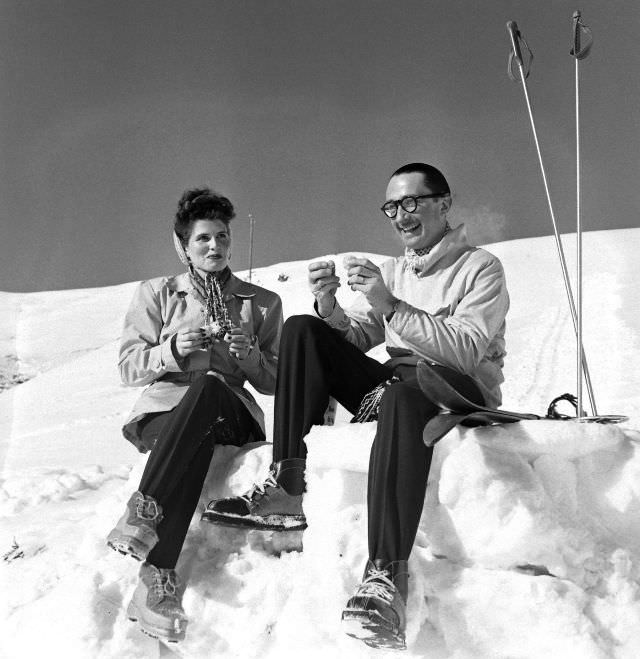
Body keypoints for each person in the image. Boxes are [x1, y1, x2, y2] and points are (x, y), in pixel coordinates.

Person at [202, 163, 509, 649]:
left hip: (457, 388)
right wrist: (329, 307)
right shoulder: (394, 270)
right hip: (398, 384)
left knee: (406, 392)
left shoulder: (480, 268)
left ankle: (386, 577)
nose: (401, 216)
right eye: (392, 207)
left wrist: (392, 306)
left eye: (411, 202)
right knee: (304, 329)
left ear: (443, 204)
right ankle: (287, 481)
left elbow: (467, 348)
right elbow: (360, 337)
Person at [106, 187, 283, 643]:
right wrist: (171, 350)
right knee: (191, 441)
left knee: (208, 386)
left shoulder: (261, 303)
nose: (215, 246)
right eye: (203, 238)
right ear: (183, 244)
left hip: (231, 410)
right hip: (165, 409)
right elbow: (128, 366)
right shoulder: (156, 294)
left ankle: (144, 513)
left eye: (222, 236)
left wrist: (249, 360)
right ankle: (157, 582)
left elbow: (276, 382)